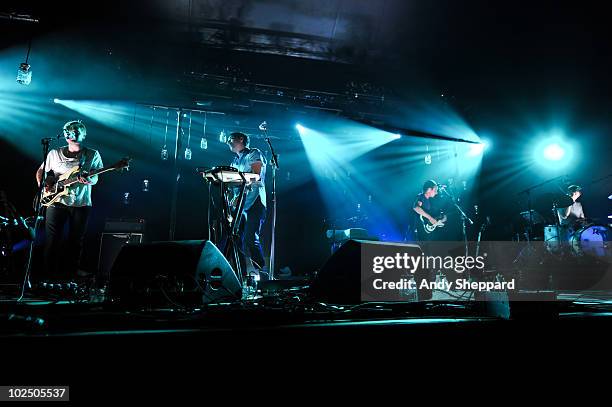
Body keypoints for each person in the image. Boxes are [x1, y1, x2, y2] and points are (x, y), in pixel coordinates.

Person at [35, 120, 103, 283]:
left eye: (76, 130)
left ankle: (70, 278)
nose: (71, 133)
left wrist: (89, 180)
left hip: (81, 203)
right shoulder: (54, 153)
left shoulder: (92, 154)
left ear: (84, 134)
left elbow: (95, 177)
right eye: (68, 130)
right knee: (52, 241)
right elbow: (41, 170)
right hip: (57, 202)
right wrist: (43, 185)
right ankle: (49, 278)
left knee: (75, 241)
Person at [226, 131, 267, 276]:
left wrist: (239, 183)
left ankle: (263, 271)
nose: (227, 142)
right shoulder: (235, 161)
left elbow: (256, 176)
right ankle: (241, 274)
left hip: (255, 202)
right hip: (241, 206)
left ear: (241, 139)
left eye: (230, 139)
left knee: (250, 238)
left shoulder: (254, 153)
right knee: (235, 239)